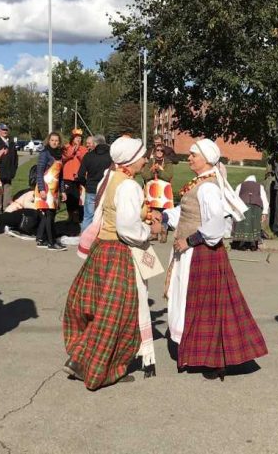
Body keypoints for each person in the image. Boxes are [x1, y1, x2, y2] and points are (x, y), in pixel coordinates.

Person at [160, 139, 267, 381]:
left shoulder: (208, 188)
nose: (189, 158)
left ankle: (214, 358)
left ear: (207, 159)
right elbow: (187, 212)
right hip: (193, 252)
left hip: (202, 253)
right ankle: (205, 354)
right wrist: (165, 218)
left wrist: (189, 241)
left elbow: (216, 225)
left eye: (193, 155)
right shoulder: (200, 184)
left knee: (205, 307)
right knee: (200, 305)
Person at [63, 137, 163, 389]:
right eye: (142, 156)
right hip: (119, 252)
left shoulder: (111, 179)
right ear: (130, 160)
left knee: (102, 309)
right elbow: (127, 228)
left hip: (102, 250)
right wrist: (150, 230)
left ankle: (79, 359)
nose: (146, 160)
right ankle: (99, 368)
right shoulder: (128, 186)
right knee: (116, 315)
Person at [35, 132, 65, 251]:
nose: (54, 142)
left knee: (49, 215)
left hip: (55, 189)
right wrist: (42, 189)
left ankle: (41, 239)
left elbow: (60, 175)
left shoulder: (59, 155)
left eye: (57, 140)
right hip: (45, 188)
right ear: (48, 141)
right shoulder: (44, 154)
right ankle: (51, 242)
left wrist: (62, 191)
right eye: (52, 140)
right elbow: (39, 172)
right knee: (49, 215)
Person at [141, 143, 175, 242]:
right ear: (154, 151)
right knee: (151, 211)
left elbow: (168, 176)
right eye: (157, 150)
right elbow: (145, 175)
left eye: (161, 150)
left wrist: (159, 171)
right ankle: (154, 234)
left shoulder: (168, 163)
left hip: (164, 194)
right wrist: (152, 171)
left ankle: (163, 232)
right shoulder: (150, 162)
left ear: (164, 152)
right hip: (152, 192)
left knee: (163, 212)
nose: (159, 152)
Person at [78, 134, 113, 231]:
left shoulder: (88, 156)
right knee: (105, 216)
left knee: (88, 217)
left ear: (95, 143)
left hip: (91, 189)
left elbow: (80, 175)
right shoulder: (111, 156)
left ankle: (85, 241)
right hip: (106, 189)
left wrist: (86, 184)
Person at [0, 124, 19, 212]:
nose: (5, 131)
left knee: (7, 189)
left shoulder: (11, 143)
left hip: (9, 171)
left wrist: (14, 169)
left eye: (6, 130)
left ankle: (6, 207)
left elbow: (15, 158)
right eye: (3, 129)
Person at [233, 175, 269, 251]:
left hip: (243, 205)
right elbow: (264, 199)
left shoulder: (241, 185)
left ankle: (242, 244)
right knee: (254, 224)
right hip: (256, 206)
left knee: (243, 225)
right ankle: (253, 245)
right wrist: (265, 212)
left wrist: (235, 209)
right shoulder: (260, 186)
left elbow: (235, 197)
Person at [62, 129, 88, 224]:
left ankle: (76, 216)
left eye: (80, 138)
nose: (79, 139)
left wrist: (79, 154)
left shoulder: (83, 149)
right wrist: (73, 150)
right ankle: (70, 216)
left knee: (77, 197)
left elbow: (85, 161)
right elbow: (64, 157)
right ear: (72, 138)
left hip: (78, 177)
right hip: (67, 177)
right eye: (77, 138)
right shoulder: (67, 147)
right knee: (68, 198)